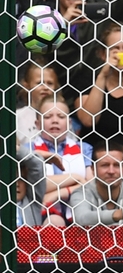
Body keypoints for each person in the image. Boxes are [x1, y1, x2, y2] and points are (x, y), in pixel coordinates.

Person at [28, 96, 94, 226]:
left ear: (69, 123)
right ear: (37, 124)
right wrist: (75, 178)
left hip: (80, 210)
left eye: (61, 116)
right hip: (42, 214)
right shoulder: (29, 149)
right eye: (47, 117)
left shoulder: (83, 148)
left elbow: (91, 187)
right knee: (54, 223)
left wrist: (59, 193)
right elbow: (34, 185)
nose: (55, 121)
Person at [71, 141, 123, 226]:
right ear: (93, 169)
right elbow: (81, 218)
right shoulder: (82, 193)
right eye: (105, 165)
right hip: (92, 239)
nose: (111, 171)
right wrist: (118, 214)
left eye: (117, 165)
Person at [17, 57, 59, 145]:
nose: (45, 87)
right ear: (27, 86)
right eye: (39, 83)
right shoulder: (18, 116)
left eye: (50, 83)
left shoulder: (61, 115)